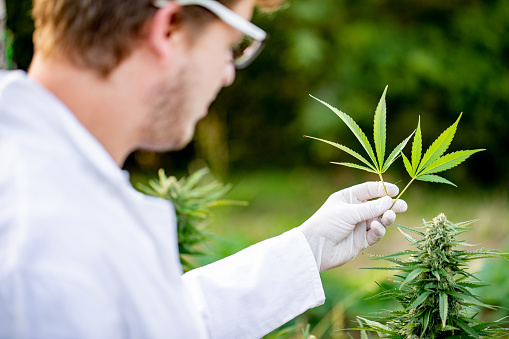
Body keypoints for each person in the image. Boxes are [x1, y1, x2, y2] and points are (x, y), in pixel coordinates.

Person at [0, 0, 407, 338]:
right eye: (233, 47)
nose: (228, 74)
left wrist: (308, 248)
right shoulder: (44, 242)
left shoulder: (43, 181)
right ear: (169, 29)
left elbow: (156, 323)